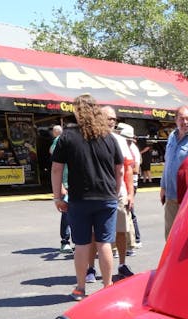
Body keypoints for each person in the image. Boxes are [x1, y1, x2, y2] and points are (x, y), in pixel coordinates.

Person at [51, 93, 124, 301]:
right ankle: (108, 286)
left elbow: (57, 169)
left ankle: (80, 288)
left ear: (78, 111)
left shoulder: (67, 137)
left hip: (79, 199)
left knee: (82, 244)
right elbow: (119, 169)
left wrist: (57, 197)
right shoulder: (109, 137)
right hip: (106, 197)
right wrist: (115, 192)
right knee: (104, 243)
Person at [99, 106, 136, 279]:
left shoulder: (120, 140)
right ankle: (91, 268)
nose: (111, 122)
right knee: (94, 233)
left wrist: (130, 194)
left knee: (121, 231)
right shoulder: (92, 139)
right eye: (108, 118)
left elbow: (128, 169)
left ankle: (122, 264)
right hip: (99, 194)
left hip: (118, 194)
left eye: (114, 119)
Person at [160, 106, 188, 239]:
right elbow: (168, 162)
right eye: (181, 119)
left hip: (187, 196)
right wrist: (163, 187)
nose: (185, 122)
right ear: (176, 120)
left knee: (184, 235)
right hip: (171, 195)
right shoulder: (172, 136)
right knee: (169, 234)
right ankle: (169, 260)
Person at [116, 122, 143, 251]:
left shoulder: (132, 149)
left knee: (129, 212)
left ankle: (134, 240)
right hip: (125, 183)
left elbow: (136, 169)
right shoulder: (126, 146)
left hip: (130, 183)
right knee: (127, 213)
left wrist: (127, 168)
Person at [49, 125, 73, 253]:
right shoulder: (60, 141)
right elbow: (56, 164)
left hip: (77, 184)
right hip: (66, 183)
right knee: (66, 213)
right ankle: (65, 241)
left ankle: (79, 241)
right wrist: (61, 186)